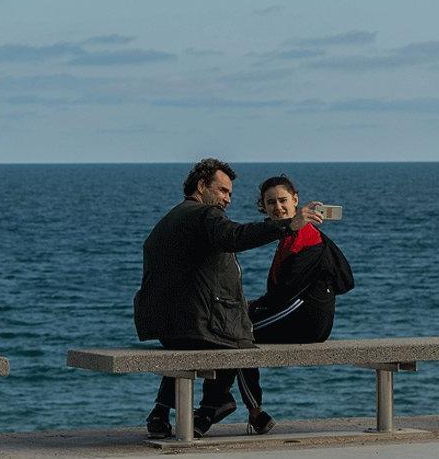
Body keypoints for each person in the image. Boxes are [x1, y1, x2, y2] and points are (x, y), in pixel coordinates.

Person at [133, 159, 321, 439]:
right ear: (201, 186)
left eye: (229, 194)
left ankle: (160, 412)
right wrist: (287, 225)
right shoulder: (205, 215)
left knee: (214, 334)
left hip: (167, 327)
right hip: (196, 325)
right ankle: (219, 405)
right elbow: (235, 236)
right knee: (241, 336)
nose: (227, 199)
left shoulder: (168, 220)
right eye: (222, 191)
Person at [237, 174, 355, 435]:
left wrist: (253, 308)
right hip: (303, 316)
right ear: (263, 207)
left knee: (237, 335)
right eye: (271, 203)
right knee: (234, 332)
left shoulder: (306, 236)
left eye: (282, 200)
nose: (278, 207)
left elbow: (286, 291)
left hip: (306, 319)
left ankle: (246, 410)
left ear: (296, 201)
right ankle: (246, 411)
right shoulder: (289, 235)